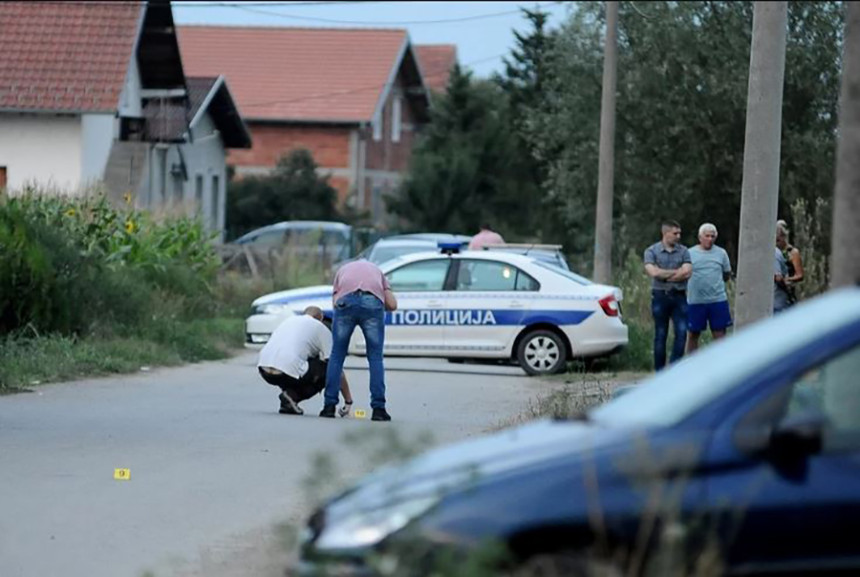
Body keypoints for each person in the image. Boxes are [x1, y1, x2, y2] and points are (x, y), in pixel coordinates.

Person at [321, 259, 398, 421]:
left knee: (337, 355)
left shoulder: (341, 270)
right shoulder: (378, 271)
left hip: (345, 301)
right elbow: (392, 304)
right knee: (375, 358)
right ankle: (378, 409)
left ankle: (329, 406)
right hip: (372, 302)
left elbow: (335, 303)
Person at [257, 306, 353, 416]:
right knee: (326, 369)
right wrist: (348, 400)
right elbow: (336, 367)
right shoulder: (320, 327)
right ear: (320, 318)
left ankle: (288, 401)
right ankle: (292, 396)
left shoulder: (288, 321)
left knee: (299, 366)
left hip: (264, 368)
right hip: (287, 369)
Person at [644, 219, 692, 371]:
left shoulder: (684, 251)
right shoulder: (651, 251)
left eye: (679, 233)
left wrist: (663, 274)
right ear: (665, 233)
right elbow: (653, 272)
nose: (678, 236)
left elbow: (687, 272)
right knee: (660, 334)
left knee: (682, 332)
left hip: (679, 296)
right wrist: (675, 273)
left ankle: (673, 368)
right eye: (675, 233)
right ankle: (660, 371)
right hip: (660, 296)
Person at [686, 223, 733, 354]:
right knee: (693, 334)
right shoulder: (689, 253)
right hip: (696, 300)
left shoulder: (721, 253)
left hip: (717, 299)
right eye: (707, 236)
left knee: (720, 334)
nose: (710, 239)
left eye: (712, 236)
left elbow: (727, 274)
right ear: (700, 237)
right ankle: (692, 363)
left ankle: (721, 363)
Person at [774, 219, 804, 311]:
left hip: (788, 291)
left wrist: (788, 279)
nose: (776, 243)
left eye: (778, 240)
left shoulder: (792, 252)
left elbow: (800, 275)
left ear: (784, 237)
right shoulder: (777, 252)